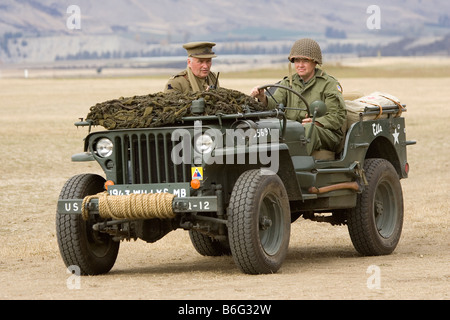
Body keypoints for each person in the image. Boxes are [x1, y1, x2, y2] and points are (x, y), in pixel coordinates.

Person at [250, 38, 346, 156]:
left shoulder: (329, 84)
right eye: (297, 61)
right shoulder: (288, 83)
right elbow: (275, 105)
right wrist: (263, 98)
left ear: (315, 62)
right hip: (293, 131)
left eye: (305, 61)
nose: (300, 65)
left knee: (309, 128)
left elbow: (338, 115)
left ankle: (295, 165)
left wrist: (317, 122)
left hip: (325, 133)